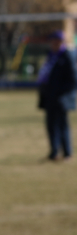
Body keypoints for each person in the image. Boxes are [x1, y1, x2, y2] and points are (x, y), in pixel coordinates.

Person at [37, 31, 77, 161]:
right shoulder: (50, 56)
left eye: (56, 41)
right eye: (52, 41)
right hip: (49, 96)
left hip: (61, 98)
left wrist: (61, 93)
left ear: (61, 42)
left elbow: (73, 79)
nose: (53, 43)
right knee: (51, 125)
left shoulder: (67, 56)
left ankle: (67, 153)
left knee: (62, 124)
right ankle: (54, 152)